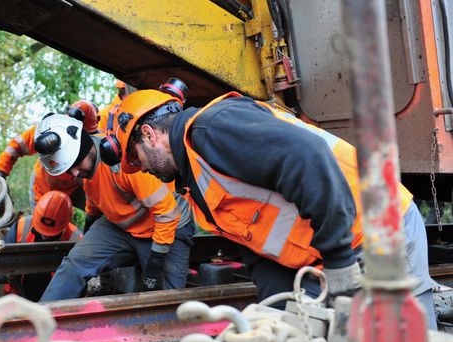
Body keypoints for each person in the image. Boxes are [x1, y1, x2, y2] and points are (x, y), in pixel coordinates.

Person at [108, 88, 438, 329]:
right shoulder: (193, 176)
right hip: (335, 248)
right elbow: (257, 246)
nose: (141, 169)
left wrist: (339, 261)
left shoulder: (214, 129)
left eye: (135, 157)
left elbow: (307, 157)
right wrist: (277, 311)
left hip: (376, 227)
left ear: (149, 135)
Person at [35, 113, 194, 342]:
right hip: (122, 226)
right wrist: (89, 227)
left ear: (87, 147)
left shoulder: (124, 162)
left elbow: (167, 212)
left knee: (167, 303)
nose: (75, 173)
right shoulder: (85, 167)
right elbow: (96, 195)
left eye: (76, 164)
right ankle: (35, 332)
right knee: (74, 264)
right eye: (69, 168)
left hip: (168, 227)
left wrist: (154, 264)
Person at [0, 100, 100, 210]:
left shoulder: (96, 143)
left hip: (76, 187)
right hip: (44, 187)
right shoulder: (48, 130)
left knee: (100, 208)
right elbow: (15, 146)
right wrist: (1, 173)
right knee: (44, 221)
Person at [1, 190, 82, 301]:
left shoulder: (77, 239)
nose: (45, 235)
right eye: (42, 230)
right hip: (19, 300)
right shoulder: (21, 227)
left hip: (58, 302)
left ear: (66, 223)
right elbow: (0, 266)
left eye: (51, 232)